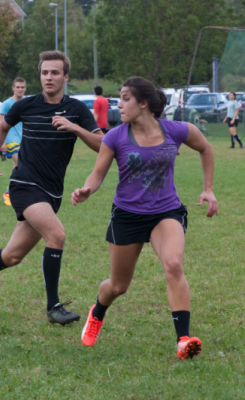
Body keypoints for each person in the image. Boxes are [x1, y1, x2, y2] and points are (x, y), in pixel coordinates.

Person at [0, 51, 103, 325]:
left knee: (12, 256)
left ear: (65, 76)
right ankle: (54, 307)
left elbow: (102, 144)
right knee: (56, 235)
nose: (49, 78)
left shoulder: (77, 109)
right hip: (24, 185)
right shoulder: (27, 105)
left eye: (55, 73)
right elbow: (1, 128)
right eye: (44, 73)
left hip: (52, 192)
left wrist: (74, 128)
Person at [72, 77, 217, 360]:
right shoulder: (115, 136)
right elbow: (98, 172)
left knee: (174, 264)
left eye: (125, 98)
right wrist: (88, 188)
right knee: (118, 286)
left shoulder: (177, 130)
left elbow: (206, 148)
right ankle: (98, 312)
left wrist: (208, 189)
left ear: (143, 103)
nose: (119, 104)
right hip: (127, 215)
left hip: (166, 211)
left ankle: (183, 340)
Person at [0, 78, 27, 206]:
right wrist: (2, 142)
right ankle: (8, 192)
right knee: (20, 163)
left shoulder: (27, 102)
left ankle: (15, 192)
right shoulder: (6, 104)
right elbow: (0, 123)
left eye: (22, 87)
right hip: (11, 139)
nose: (20, 89)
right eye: (18, 87)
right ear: (13, 88)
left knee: (17, 167)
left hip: (24, 138)